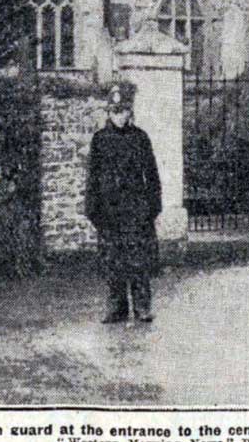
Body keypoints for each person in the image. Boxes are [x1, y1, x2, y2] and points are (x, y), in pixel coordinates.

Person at [85, 85, 162, 324]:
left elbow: (152, 175)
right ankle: (117, 308)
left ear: (130, 112)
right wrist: (93, 209)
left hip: (136, 210)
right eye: (115, 111)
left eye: (124, 111)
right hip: (110, 211)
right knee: (113, 260)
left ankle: (142, 307)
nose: (119, 116)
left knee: (138, 259)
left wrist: (152, 207)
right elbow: (93, 178)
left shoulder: (140, 138)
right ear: (108, 112)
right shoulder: (100, 140)